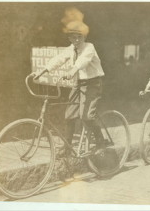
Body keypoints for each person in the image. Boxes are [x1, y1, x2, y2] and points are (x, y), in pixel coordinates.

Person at [34, 20, 105, 156]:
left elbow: (83, 60)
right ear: (69, 38)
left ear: (84, 37)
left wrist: (73, 70)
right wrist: (42, 71)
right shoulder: (71, 49)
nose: (77, 40)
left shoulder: (89, 47)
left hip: (92, 83)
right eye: (73, 37)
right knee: (69, 115)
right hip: (78, 84)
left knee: (87, 116)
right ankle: (67, 148)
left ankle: (101, 143)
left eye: (79, 37)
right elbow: (59, 59)